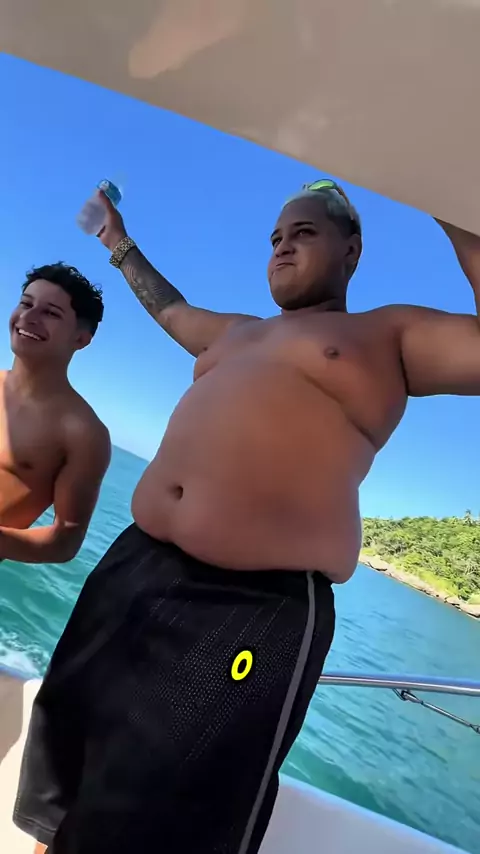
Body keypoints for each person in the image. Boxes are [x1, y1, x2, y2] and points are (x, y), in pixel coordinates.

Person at [14, 183, 480, 854]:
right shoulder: (236, 332)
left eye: (304, 233)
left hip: (250, 606)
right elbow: (171, 310)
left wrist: (440, 188)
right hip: (135, 566)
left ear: (352, 251)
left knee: (157, 824)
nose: (282, 246)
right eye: (275, 238)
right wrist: (115, 239)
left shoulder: (386, 336)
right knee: (68, 768)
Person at [0, 263, 111, 565]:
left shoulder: (82, 431)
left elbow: (64, 542)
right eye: (26, 304)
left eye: (50, 313)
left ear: (80, 339)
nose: (29, 317)